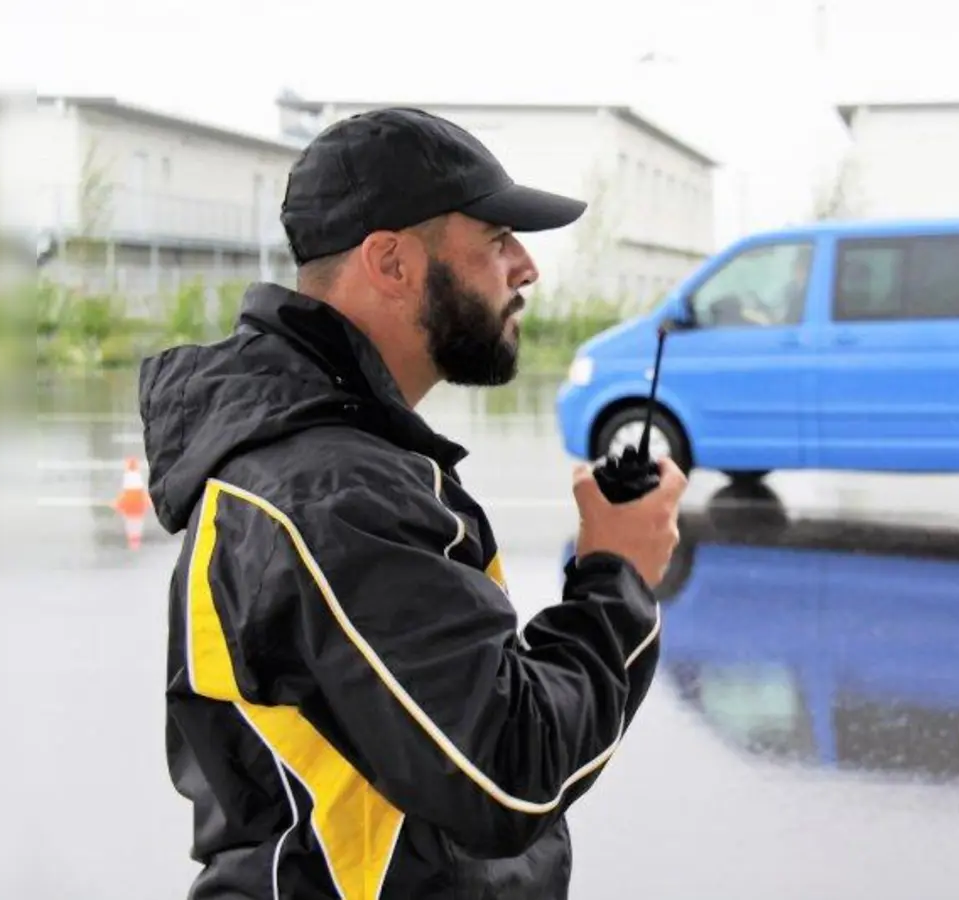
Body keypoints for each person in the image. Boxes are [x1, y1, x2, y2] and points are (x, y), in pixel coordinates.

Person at [138, 107, 687, 900]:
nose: (526, 267)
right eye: (497, 239)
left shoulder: (348, 457)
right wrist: (618, 578)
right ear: (391, 263)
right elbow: (507, 768)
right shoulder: (330, 492)